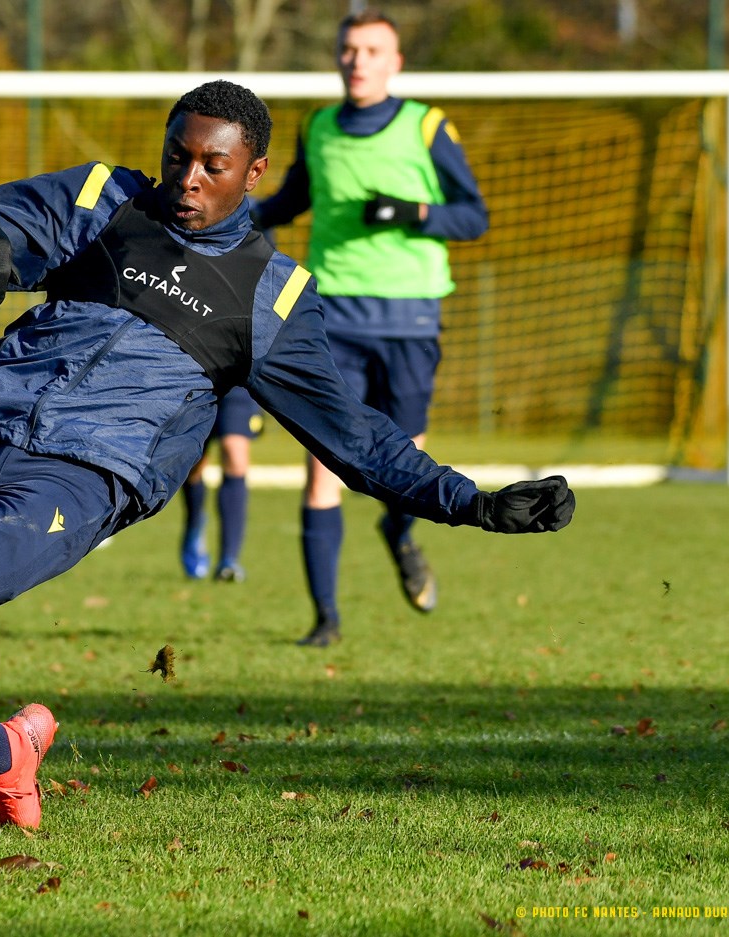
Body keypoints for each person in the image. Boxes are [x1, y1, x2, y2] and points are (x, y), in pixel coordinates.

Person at [0, 80, 572, 861]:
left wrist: (475, 505)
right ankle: (7, 748)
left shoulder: (271, 298)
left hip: (79, 481)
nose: (187, 180)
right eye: (178, 157)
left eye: (212, 165)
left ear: (254, 173)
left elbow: (358, 439)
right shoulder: (106, 201)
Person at [252, 9, 489, 647]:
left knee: (403, 457)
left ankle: (400, 533)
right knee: (322, 461)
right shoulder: (320, 126)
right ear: (336, 56)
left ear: (395, 62)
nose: (357, 60)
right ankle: (325, 620)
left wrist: (413, 212)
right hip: (332, 314)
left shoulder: (427, 125)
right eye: (349, 48)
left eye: (372, 50)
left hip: (411, 318)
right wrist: (232, 213)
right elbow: (289, 201)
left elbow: (473, 217)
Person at [179, 386, 265, 582]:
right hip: (201, 378)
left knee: (234, 455)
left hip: (239, 385)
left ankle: (229, 560)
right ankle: (195, 522)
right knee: (193, 463)